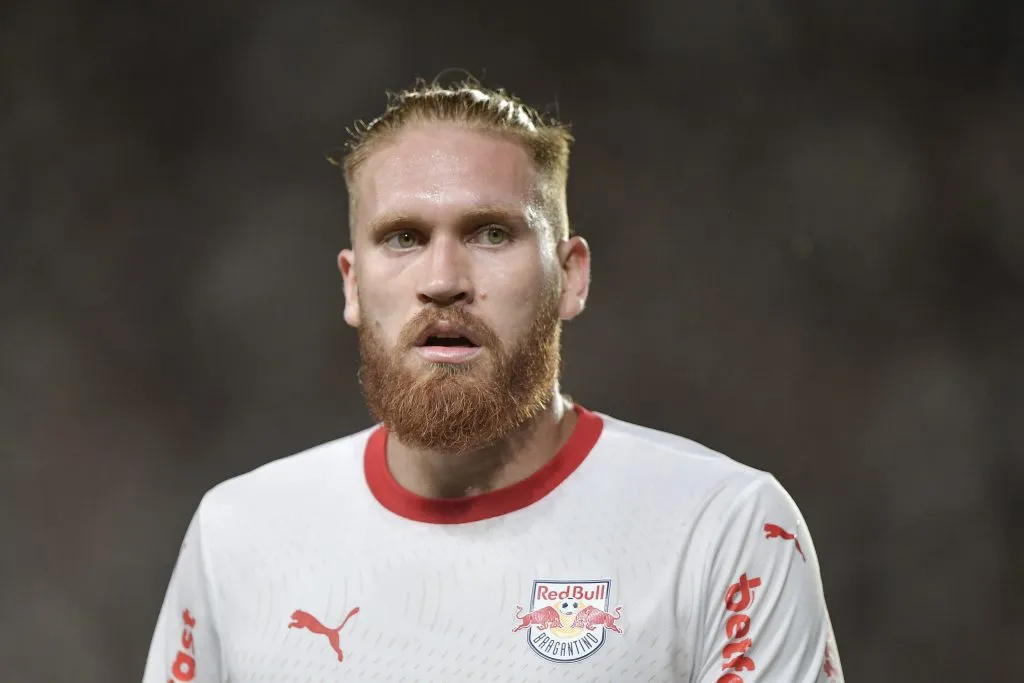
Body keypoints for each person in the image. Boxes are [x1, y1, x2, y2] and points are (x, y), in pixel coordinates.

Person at [142, 79, 845, 682]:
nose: (444, 281)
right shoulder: (238, 537)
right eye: (404, 237)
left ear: (570, 277)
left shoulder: (724, 528)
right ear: (353, 285)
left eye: (491, 233)